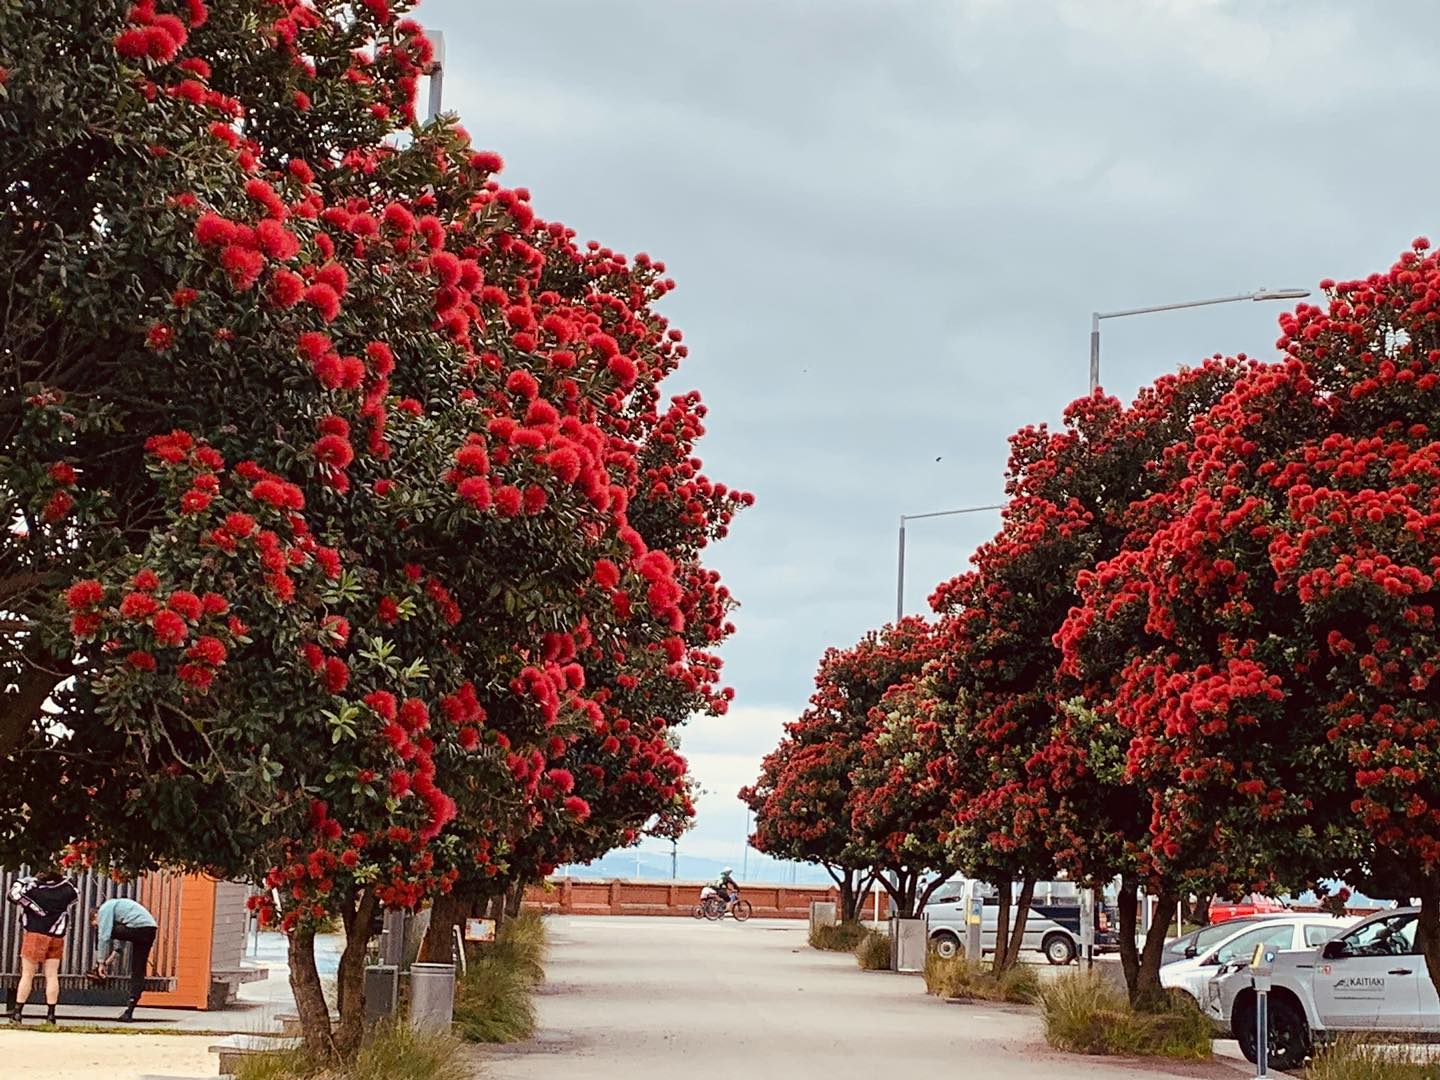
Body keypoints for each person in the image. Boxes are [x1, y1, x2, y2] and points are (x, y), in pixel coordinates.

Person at [6, 868, 79, 1024]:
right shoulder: (66, 890)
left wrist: (26, 882)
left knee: (27, 975)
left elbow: (12, 895)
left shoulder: (34, 890)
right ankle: (51, 1016)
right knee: (52, 975)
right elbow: (75, 894)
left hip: (35, 934)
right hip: (57, 935)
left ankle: (17, 1013)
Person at [92, 896, 158, 1022]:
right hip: (150, 929)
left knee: (102, 933)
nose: (96, 926)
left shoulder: (105, 909)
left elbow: (104, 936)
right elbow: (120, 939)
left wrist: (100, 963)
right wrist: (108, 961)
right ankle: (129, 1011)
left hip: (138, 928)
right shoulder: (119, 910)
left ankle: (97, 967)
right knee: (138, 970)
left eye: (95, 923)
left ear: (96, 915)